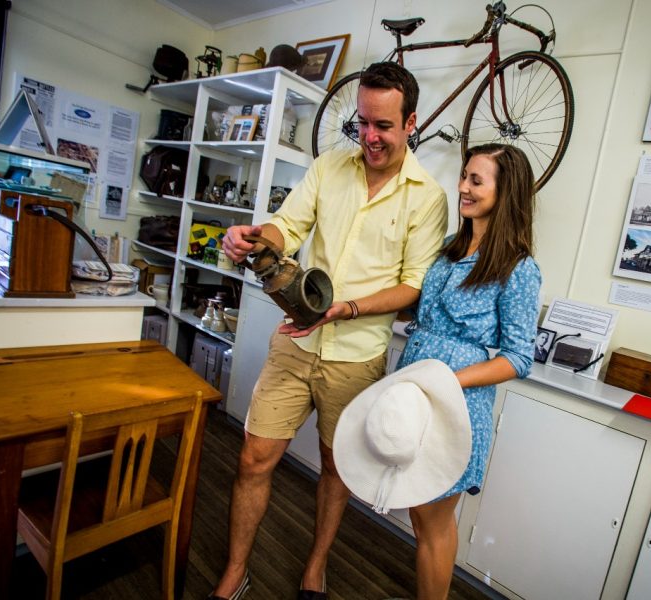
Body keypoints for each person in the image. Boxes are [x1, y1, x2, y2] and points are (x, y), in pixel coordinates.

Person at [209, 61, 448, 600]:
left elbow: (413, 286)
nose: (369, 136)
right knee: (253, 458)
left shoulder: (428, 197)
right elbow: (285, 228)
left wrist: (348, 307)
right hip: (296, 343)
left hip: (357, 357)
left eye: (383, 125)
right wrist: (253, 238)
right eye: (361, 122)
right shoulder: (328, 168)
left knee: (337, 472)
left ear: (412, 123)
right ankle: (234, 571)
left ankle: (315, 566)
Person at [395, 142, 541, 599]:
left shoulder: (519, 268)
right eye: (464, 176)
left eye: (476, 180)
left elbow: (519, 357)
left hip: (456, 404)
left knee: (434, 518)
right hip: (415, 394)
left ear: (506, 191)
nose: (462, 187)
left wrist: (446, 382)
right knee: (420, 512)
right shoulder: (447, 249)